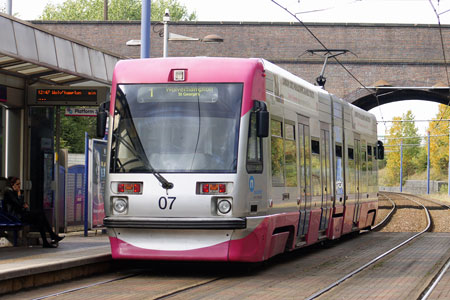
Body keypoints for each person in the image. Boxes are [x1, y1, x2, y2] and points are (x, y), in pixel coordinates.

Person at [3, 176, 64, 248]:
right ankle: (51, 237)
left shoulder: (13, 192)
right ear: (12, 184)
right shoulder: (9, 192)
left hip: (20, 214)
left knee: (40, 219)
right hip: (15, 216)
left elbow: (20, 204)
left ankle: (47, 241)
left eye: (20, 184)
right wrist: (19, 196)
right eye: (17, 184)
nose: (19, 186)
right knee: (40, 215)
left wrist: (22, 203)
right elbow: (18, 204)